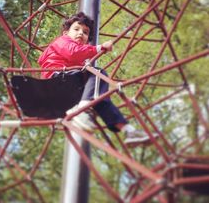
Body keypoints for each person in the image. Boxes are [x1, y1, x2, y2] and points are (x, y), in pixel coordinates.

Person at [38, 12, 153, 144]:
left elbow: (77, 56)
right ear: (65, 33)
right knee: (97, 73)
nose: (81, 33)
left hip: (70, 87)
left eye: (85, 32)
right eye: (76, 29)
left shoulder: (79, 62)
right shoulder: (62, 41)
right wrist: (99, 48)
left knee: (100, 99)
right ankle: (83, 109)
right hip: (57, 80)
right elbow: (73, 53)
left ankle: (128, 130)